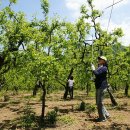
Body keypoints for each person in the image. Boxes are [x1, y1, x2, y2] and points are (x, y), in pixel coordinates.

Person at [91, 56, 110, 122]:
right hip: (99, 86)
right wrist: (94, 80)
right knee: (98, 102)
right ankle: (106, 114)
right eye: (98, 59)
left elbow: (97, 74)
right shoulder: (100, 67)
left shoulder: (104, 68)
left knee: (99, 103)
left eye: (100, 59)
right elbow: (99, 77)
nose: (99, 60)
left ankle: (102, 118)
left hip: (101, 87)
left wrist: (93, 69)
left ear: (104, 61)